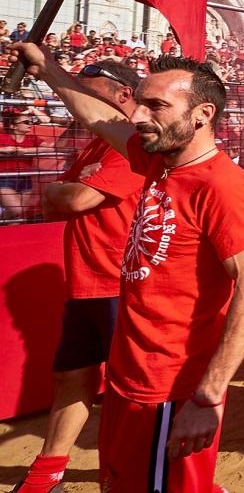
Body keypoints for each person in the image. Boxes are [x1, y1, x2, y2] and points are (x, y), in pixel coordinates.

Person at [9, 45, 244, 492]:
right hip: (130, 376)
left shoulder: (222, 187)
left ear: (201, 114)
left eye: (156, 105)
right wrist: (50, 69)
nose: (137, 116)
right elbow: (100, 117)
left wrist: (207, 396)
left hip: (172, 388)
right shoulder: (159, 161)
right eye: (140, 102)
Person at [14, 62, 143, 493]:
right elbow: (49, 201)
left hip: (121, 285)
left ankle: (137, 476)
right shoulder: (94, 147)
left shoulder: (132, 146)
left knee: (134, 392)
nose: (76, 103)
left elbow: (77, 197)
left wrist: (69, 190)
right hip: (87, 284)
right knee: (73, 377)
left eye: (88, 92)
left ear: (123, 94)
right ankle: (46, 475)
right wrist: (65, 191)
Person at [0, 109, 49, 219]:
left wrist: (26, 151)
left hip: (25, 178)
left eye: (30, 121)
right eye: (26, 122)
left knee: (19, 215)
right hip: (3, 178)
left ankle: (11, 234)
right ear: (13, 126)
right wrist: (3, 150)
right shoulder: (2, 137)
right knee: (16, 210)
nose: (30, 124)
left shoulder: (32, 138)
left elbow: (50, 148)